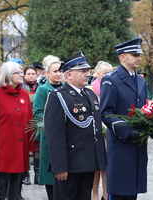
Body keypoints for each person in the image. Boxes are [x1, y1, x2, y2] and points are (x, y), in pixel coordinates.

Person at [44, 51, 107, 200]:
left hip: (89, 161)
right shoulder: (58, 96)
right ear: (69, 75)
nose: (87, 74)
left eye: (88, 71)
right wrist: (60, 166)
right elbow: (54, 135)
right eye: (83, 71)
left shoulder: (90, 94)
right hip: (70, 164)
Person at [100, 38, 148, 200]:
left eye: (139, 54)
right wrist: (127, 131)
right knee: (120, 193)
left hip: (138, 145)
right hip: (121, 144)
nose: (139, 58)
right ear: (122, 57)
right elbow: (106, 113)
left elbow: (145, 110)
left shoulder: (141, 81)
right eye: (134, 54)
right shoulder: (111, 80)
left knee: (132, 193)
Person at [0, 61, 33, 200]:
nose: (21, 75)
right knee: (2, 185)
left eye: (21, 72)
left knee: (17, 182)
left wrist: (29, 146)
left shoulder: (24, 94)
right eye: (18, 72)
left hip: (20, 148)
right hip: (3, 148)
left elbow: (29, 121)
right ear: (8, 75)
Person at [33, 55, 63, 200]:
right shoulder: (43, 90)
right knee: (51, 177)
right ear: (47, 73)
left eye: (60, 71)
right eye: (55, 71)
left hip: (66, 137)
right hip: (50, 136)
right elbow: (37, 112)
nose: (58, 74)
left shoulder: (66, 88)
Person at [88, 61, 113, 200]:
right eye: (105, 74)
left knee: (107, 166)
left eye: (110, 73)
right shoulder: (90, 90)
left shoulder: (110, 88)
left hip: (108, 134)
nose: (108, 76)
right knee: (96, 167)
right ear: (97, 75)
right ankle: (95, 195)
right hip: (95, 134)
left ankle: (107, 194)